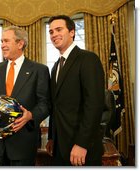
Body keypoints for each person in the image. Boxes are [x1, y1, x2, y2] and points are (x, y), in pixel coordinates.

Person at [0, 25, 51, 166]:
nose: (2, 45)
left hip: (23, 143)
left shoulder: (39, 70)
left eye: (6, 41)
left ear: (20, 43)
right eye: (1, 41)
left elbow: (45, 104)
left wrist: (30, 115)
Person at [46, 15, 105, 166]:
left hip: (81, 148)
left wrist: (82, 143)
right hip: (59, 147)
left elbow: (94, 105)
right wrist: (52, 138)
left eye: (59, 29)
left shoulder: (88, 59)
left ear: (72, 32)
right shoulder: (55, 67)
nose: (54, 35)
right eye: (51, 32)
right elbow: (56, 106)